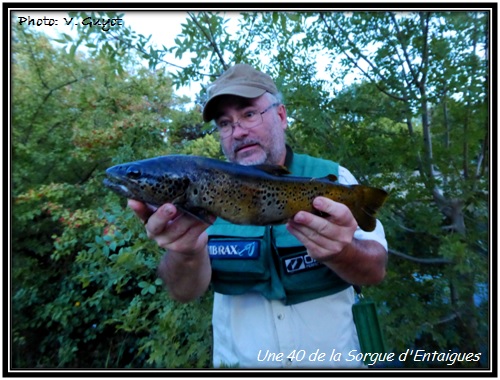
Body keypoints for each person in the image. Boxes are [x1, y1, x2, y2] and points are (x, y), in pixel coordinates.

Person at [128, 64, 388, 368]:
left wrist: (343, 252)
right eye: (225, 123)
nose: (237, 131)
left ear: (280, 116)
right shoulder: (197, 200)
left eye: (249, 114)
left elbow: (376, 270)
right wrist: (185, 253)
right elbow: (182, 292)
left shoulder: (334, 180)